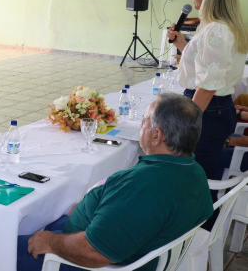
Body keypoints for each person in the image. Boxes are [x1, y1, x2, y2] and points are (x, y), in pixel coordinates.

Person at [18, 93, 213, 271]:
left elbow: (94, 253)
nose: (141, 127)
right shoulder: (195, 172)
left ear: (157, 136)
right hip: (131, 245)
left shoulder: (141, 187)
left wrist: (51, 242)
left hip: (83, 261)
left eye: (144, 122)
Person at [167, 0, 248, 188]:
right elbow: (206, 66)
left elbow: (208, 86)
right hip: (214, 109)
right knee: (203, 174)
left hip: (207, 111)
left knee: (198, 181)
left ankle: (204, 222)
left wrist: (187, 121)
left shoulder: (217, 30)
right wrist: (182, 44)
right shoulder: (219, 26)